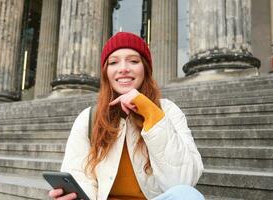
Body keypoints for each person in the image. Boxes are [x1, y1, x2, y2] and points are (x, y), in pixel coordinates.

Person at [48, 32, 204, 200]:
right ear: (106, 72)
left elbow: (183, 180)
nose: (123, 68)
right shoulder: (88, 118)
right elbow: (79, 175)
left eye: (133, 61)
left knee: (188, 195)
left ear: (145, 68)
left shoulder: (168, 111)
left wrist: (151, 113)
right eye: (113, 62)